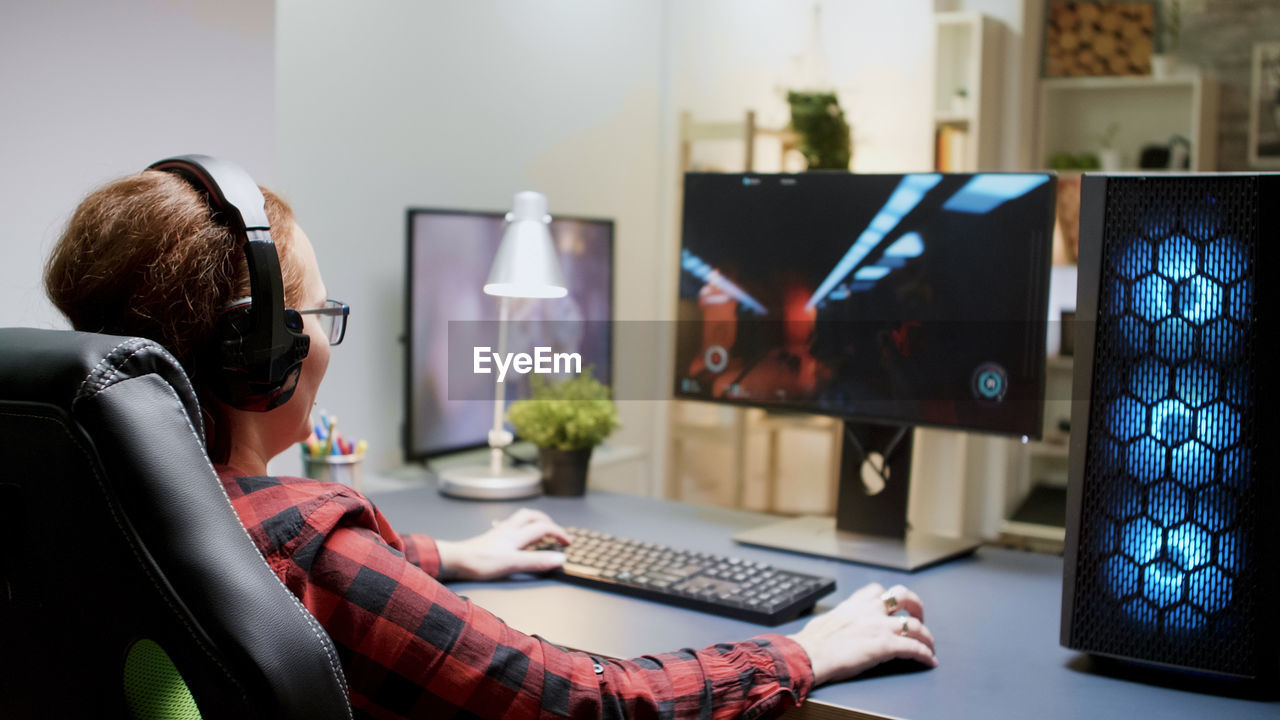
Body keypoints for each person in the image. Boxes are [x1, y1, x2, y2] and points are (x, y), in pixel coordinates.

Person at [44, 164, 937, 719]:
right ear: (262, 352)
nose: (324, 336)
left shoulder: (85, 503)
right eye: (317, 313)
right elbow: (584, 703)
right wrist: (803, 652)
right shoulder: (311, 555)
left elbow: (287, 577)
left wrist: (451, 556)